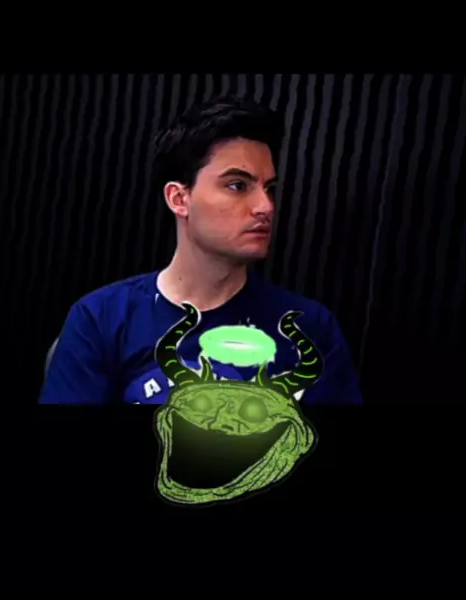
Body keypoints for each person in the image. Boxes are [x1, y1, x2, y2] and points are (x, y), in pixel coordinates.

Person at [39, 95, 362, 405]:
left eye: (269, 188)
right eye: (237, 185)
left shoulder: (309, 329)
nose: (265, 206)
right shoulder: (102, 318)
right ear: (179, 199)